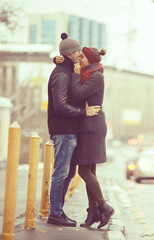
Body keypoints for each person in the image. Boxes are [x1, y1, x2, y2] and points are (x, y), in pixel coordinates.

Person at [47, 33, 101, 227]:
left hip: (69, 131)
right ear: (70, 53)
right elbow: (60, 105)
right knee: (61, 173)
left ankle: (58, 211)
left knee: (68, 173)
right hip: (63, 130)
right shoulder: (61, 74)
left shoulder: (68, 69)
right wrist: (83, 113)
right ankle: (54, 213)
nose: (80, 53)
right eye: (78, 50)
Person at [72, 46, 115, 229]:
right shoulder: (89, 73)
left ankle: (104, 207)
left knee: (83, 171)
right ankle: (93, 212)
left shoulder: (96, 76)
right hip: (89, 125)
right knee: (91, 171)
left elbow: (78, 93)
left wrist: (75, 75)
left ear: (90, 59)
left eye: (82, 57)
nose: (79, 59)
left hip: (92, 126)